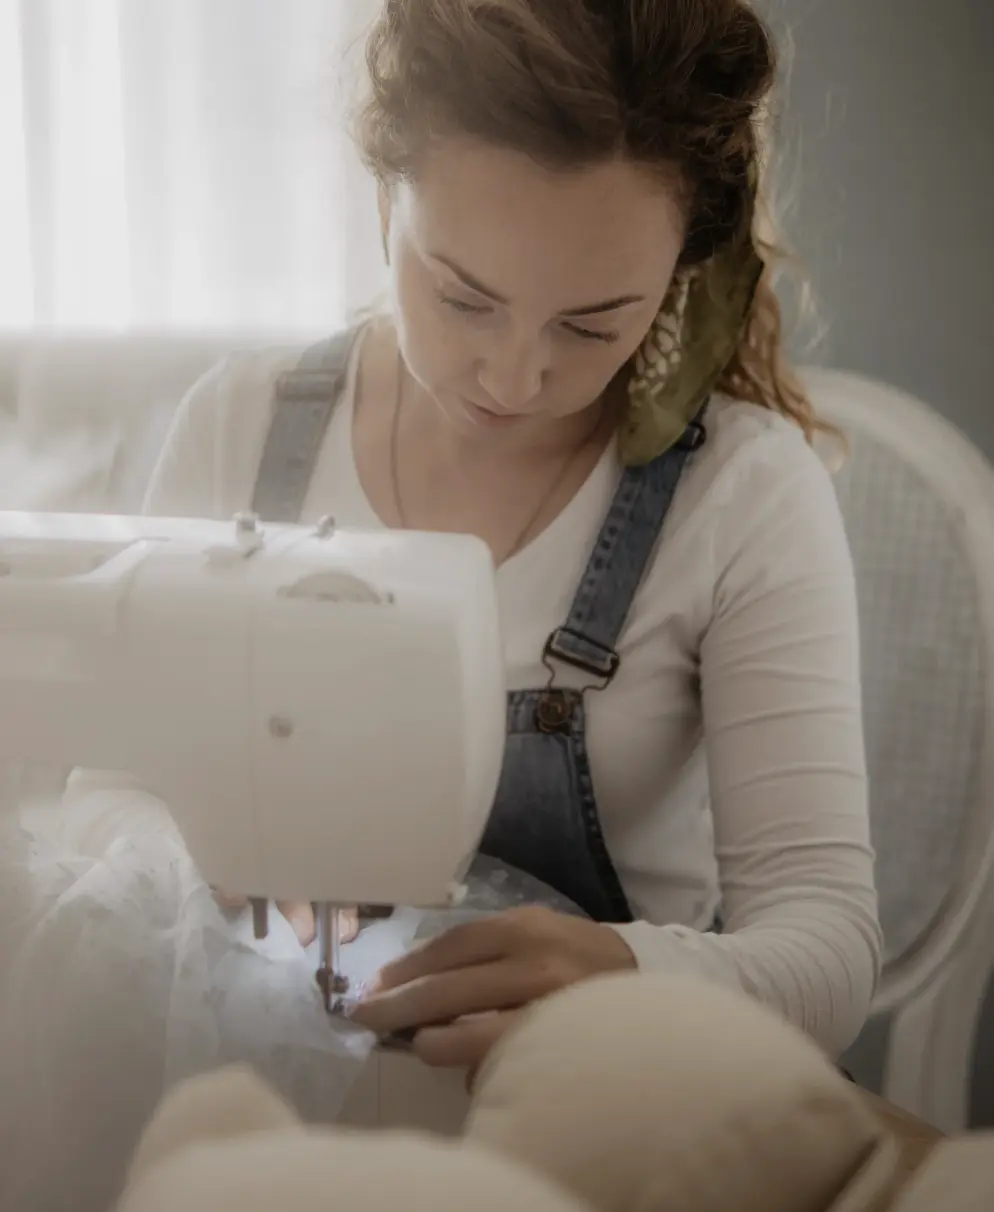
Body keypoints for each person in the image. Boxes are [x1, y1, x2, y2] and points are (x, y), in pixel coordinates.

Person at [1, 13, 881, 1202]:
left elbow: (827, 949)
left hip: (578, 1140)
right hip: (258, 1118)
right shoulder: (240, 427)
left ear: (680, 269)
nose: (515, 377)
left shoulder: (740, 499)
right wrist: (195, 866)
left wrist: (625, 971)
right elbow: (107, 797)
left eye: (592, 324)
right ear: (383, 199)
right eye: (463, 297)